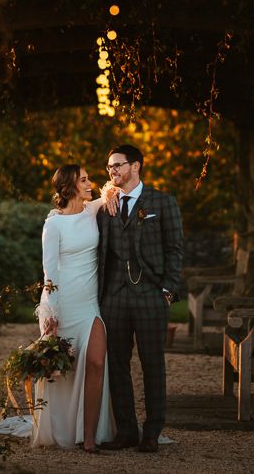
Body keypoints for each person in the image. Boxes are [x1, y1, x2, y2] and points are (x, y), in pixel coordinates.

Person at [97, 144, 183, 453]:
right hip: (114, 297)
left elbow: (175, 249)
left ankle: (152, 432)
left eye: (118, 165)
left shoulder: (162, 201)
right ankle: (126, 431)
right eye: (109, 167)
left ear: (136, 166)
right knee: (116, 365)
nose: (112, 172)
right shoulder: (106, 205)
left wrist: (167, 290)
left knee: (153, 364)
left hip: (150, 294)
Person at [33, 164, 117, 452]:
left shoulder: (92, 210)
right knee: (61, 372)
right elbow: (50, 274)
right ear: (69, 186)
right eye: (83, 180)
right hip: (64, 304)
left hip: (90, 305)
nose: (89, 183)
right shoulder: (53, 224)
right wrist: (51, 316)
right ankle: (63, 427)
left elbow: (112, 190)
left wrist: (111, 190)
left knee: (96, 362)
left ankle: (90, 436)